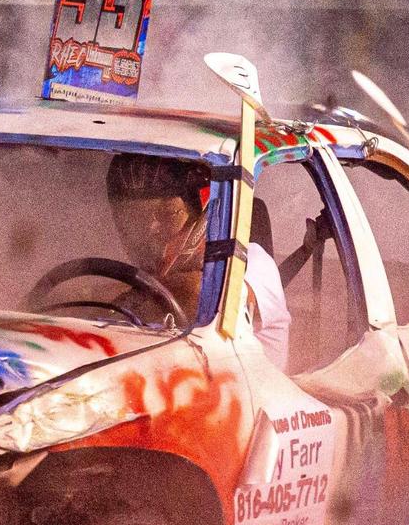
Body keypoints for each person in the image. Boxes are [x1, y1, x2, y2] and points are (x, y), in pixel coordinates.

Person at [106, 154, 290, 368]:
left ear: (201, 210)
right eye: (135, 218)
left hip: (255, 396)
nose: (150, 228)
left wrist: (101, 296)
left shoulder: (253, 261)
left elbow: (197, 293)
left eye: (168, 213)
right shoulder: (149, 273)